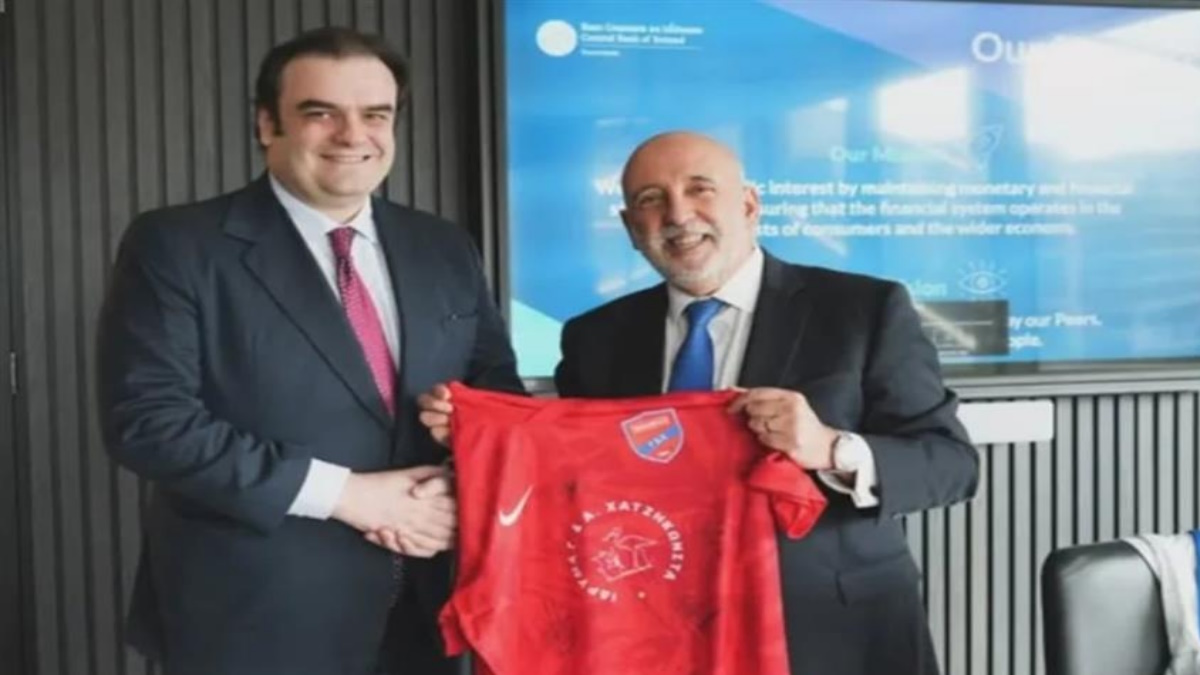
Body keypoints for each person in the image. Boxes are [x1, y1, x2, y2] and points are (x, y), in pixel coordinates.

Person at [421, 130, 977, 675]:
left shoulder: (862, 308)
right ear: (631, 228)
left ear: (749, 205)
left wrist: (831, 448)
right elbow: (569, 485)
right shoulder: (596, 337)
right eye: (651, 199)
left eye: (700, 189)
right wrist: (476, 440)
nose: (679, 215)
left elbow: (951, 464)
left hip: (830, 633)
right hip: (655, 636)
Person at [96, 27, 522, 675]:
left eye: (375, 114)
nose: (353, 135)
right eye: (321, 113)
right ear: (268, 124)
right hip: (255, 620)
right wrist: (349, 495)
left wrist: (457, 475)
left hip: (429, 609)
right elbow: (149, 422)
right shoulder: (178, 245)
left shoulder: (443, 246)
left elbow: (499, 394)